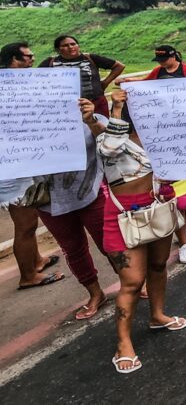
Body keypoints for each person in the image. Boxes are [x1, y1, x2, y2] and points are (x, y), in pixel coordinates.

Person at [99, 88, 186, 374]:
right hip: (121, 215)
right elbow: (109, 148)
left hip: (157, 208)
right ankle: (123, 343)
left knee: (158, 265)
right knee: (132, 281)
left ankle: (158, 315)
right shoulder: (109, 137)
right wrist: (114, 108)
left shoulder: (160, 138)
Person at [35, 98, 110, 319]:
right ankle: (95, 293)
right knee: (73, 248)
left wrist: (91, 121)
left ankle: (131, 283)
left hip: (90, 192)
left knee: (110, 243)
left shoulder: (89, 115)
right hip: (49, 200)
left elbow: (110, 143)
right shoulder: (22, 122)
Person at [2, 41, 65, 291]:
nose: (32, 61)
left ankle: (36, 260)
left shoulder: (19, 84)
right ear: (13, 59)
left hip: (24, 161)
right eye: (28, 57)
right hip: (10, 169)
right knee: (26, 224)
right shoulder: (6, 87)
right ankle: (28, 275)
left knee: (32, 218)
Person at [139, 45, 186, 262]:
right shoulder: (157, 74)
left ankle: (182, 228)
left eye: (164, 60)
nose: (162, 64)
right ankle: (183, 238)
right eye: (158, 61)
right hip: (165, 135)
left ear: (174, 56)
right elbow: (143, 89)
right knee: (173, 191)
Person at [39, 35, 124, 116]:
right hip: (64, 106)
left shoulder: (90, 58)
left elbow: (119, 66)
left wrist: (105, 82)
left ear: (78, 46)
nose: (70, 47)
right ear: (57, 50)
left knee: (99, 128)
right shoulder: (50, 62)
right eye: (65, 45)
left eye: (73, 44)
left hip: (95, 103)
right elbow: (35, 78)